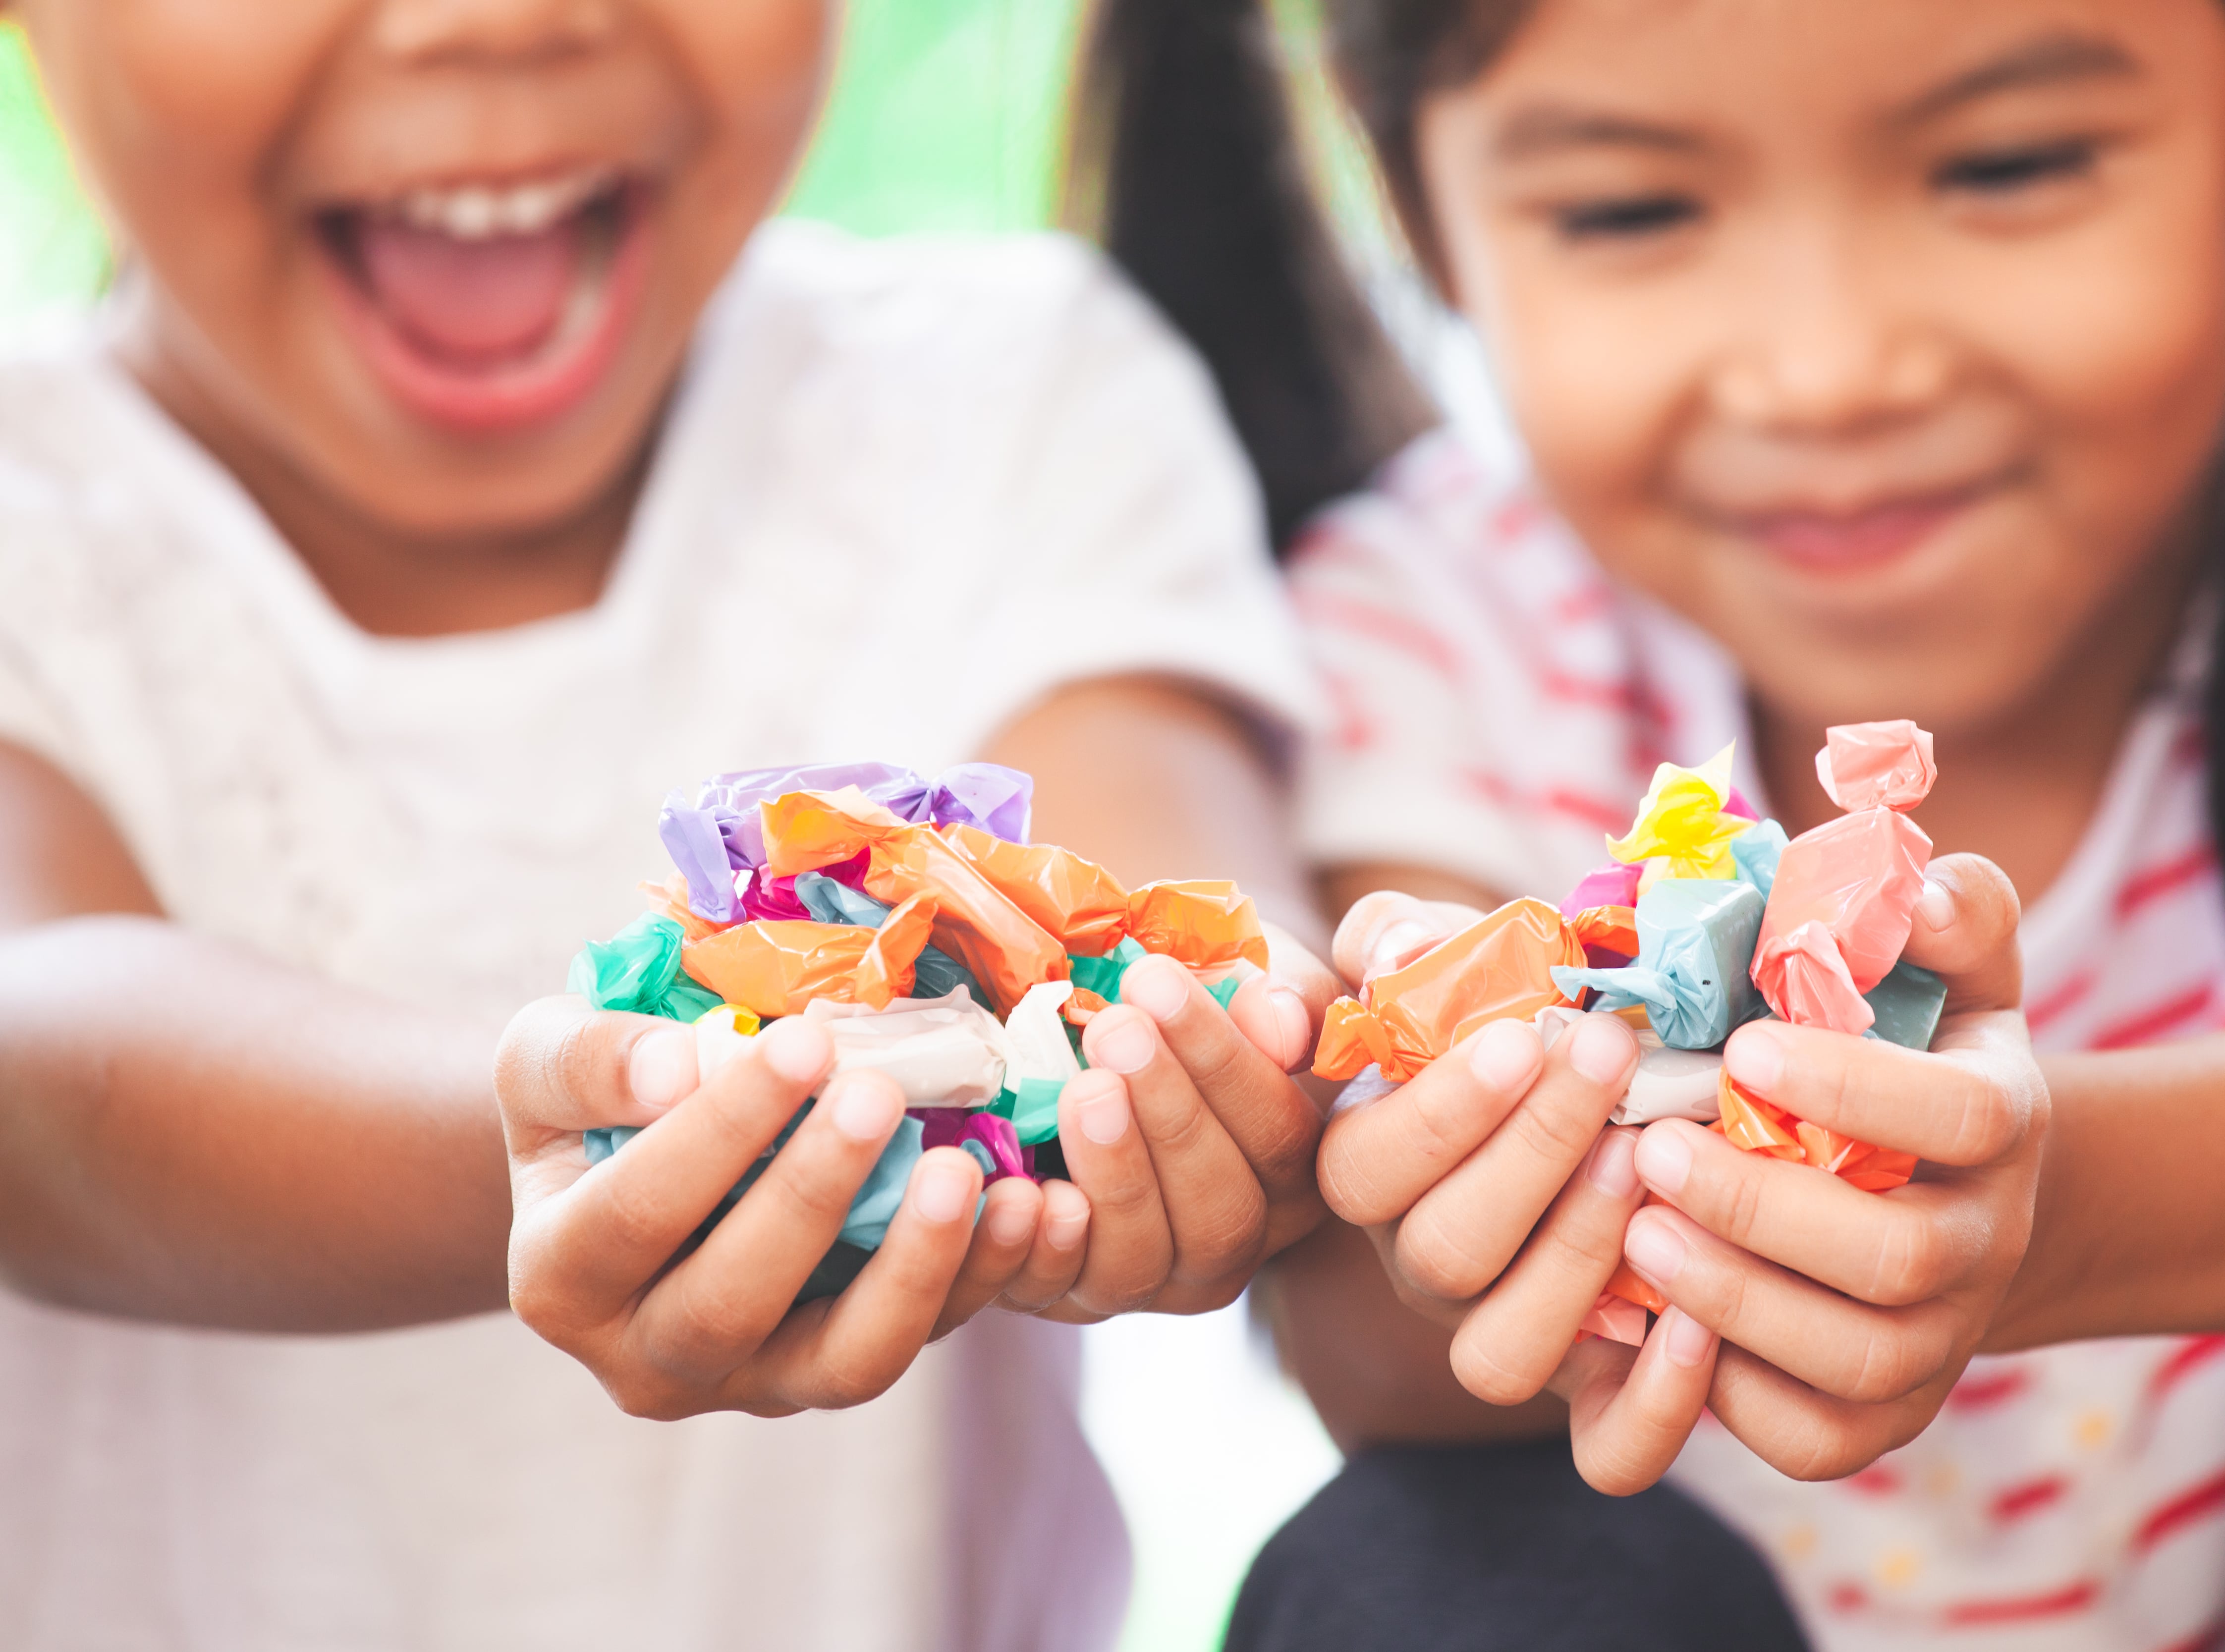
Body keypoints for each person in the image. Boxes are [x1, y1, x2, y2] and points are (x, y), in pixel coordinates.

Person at [1065, 0, 2225, 1647]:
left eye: (2007, 166)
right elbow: (1381, 1344)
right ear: (1413, 199)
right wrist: (1449, 1191)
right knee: (1422, 1574)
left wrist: (2039, 1205)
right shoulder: (1442, 640)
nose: (1830, 372)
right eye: (1632, 208)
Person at [0, 1, 1368, 1647]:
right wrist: (600, 1129)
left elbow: (1174, 916)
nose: (496, 23)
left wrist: (1233, 1063)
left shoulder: (1008, 395)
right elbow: (43, 1066)